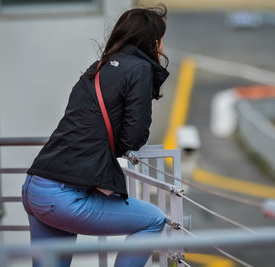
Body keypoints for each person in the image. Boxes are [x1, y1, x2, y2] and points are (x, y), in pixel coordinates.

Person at [21, 5, 170, 267]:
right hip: (64, 197)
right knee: (153, 220)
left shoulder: (98, 67)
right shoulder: (139, 70)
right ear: (153, 41)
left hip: (35, 187)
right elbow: (133, 139)